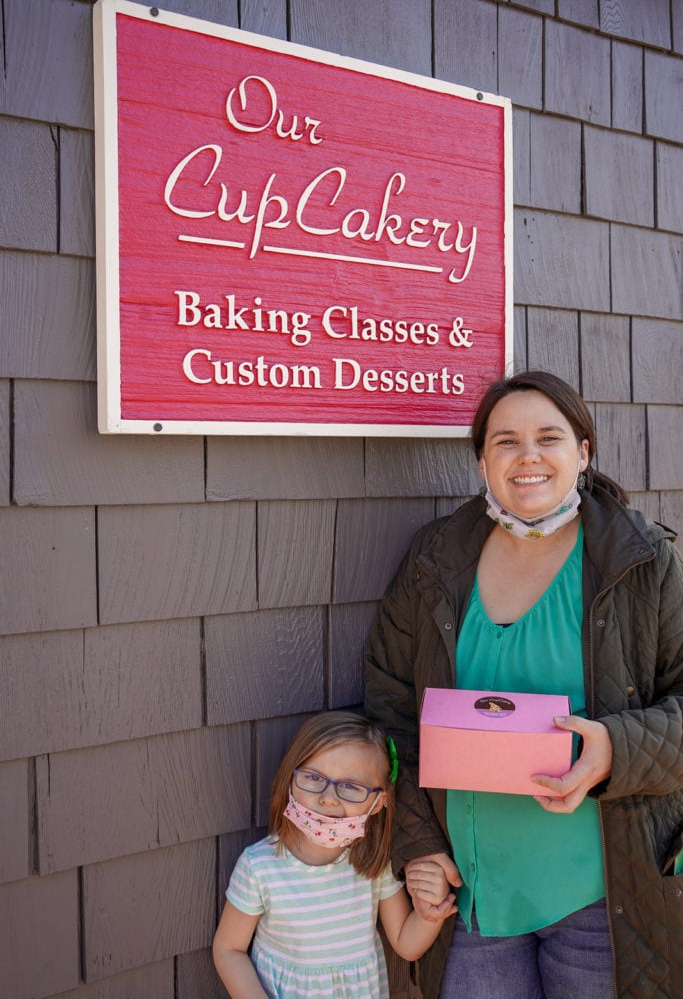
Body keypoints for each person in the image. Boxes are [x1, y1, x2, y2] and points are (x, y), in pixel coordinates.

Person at [365, 370, 683, 999]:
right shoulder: (435, 561)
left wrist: (615, 748)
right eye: (506, 441)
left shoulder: (642, 563)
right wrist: (418, 844)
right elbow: (390, 708)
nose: (528, 456)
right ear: (483, 459)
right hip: (472, 898)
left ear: (583, 451)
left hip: (604, 901)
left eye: (549, 437)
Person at [212, 710, 456, 999]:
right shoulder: (260, 867)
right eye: (314, 778)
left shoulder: (372, 866)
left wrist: (429, 916)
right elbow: (229, 949)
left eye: (350, 787)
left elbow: (406, 942)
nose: (329, 797)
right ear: (291, 778)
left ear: (378, 803)